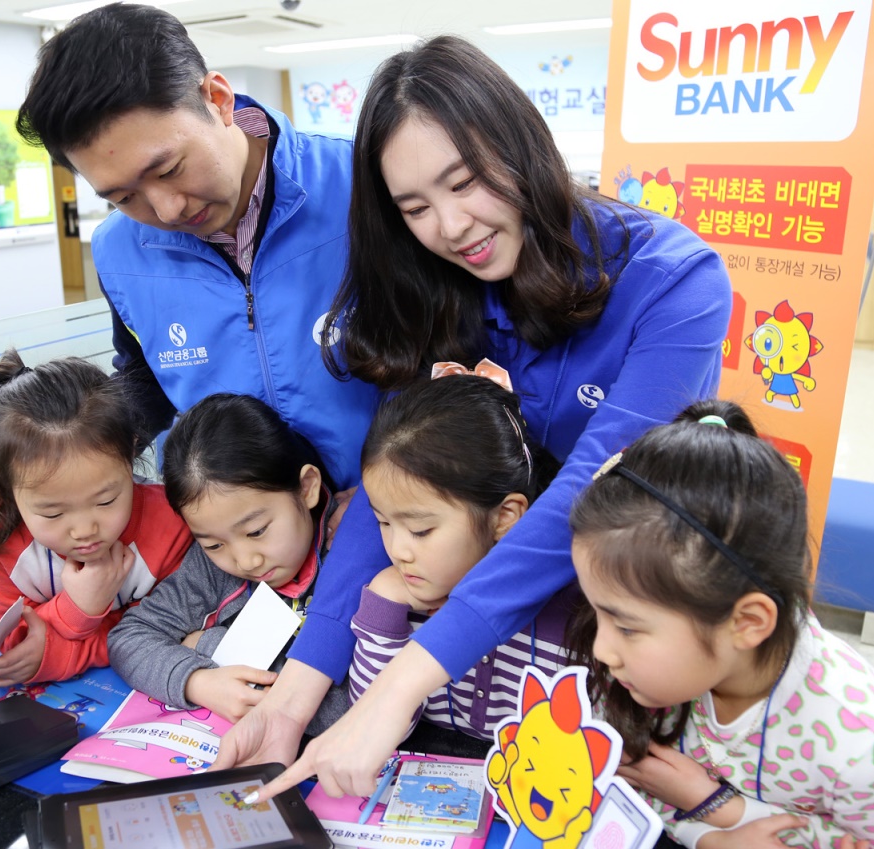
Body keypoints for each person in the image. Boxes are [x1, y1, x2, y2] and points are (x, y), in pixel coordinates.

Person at [216, 35, 733, 797]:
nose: (452, 226)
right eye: (416, 208)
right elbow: (395, 485)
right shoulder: (438, 289)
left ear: (522, 146)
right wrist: (291, 700)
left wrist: (398, 688)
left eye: (464, 182)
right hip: (487, 650)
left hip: (622, 636)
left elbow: (591, 492)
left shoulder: (674, 281)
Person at [16, 3, 378, 485]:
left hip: (386, 509)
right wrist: (70, 457)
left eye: (169, 170)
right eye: (123, 197)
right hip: (227, 520)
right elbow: (147, 377)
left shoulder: (367, 188)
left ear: (218, 99)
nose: (167, 212)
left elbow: (447, 355)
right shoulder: (117, 252)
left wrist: (386, 492)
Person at [567, 400, 874, 849]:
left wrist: (717, 806)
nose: (602, 650)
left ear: (748, 622)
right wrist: (709, 837)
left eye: (627, 628)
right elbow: (629, 789)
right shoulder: (645, 672)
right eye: (598, 612)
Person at [349, 372, 575, 740]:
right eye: (383, 522)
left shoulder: (569, 617)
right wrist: (386, 603)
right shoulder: (405, 599)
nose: (398, 551)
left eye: (420, 530)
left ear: (504, 517)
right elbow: (368, 734)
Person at [0, 349, 192, 686]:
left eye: (106, 501)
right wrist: (80, 607)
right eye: (53, 512)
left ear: (131, 452)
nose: (84, 530)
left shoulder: (172, 522)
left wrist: (63, 641)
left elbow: (176, 627)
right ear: (7, 486)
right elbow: (15, 648)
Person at [108, 393, 347, 727]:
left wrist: (211, 645)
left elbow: (357, 707)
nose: (245, 561)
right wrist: (198, 681)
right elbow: (128, 639)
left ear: (306, 488)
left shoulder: (354, 560)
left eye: (256, 531)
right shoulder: (211, 569)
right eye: (213, 544)